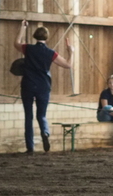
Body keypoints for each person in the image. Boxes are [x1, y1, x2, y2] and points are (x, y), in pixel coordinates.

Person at [14, 20, 74, 154]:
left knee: (28, 116)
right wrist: (71, 52)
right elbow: (68, 65)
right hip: (43, 86)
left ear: (35, 36)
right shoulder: (51, 53)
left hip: (28, 85)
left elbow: (16, 43)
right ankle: (45, 133)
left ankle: (30, 147)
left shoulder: (28, 48)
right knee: (41, 115)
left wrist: (22, 28)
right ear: (46, 38)